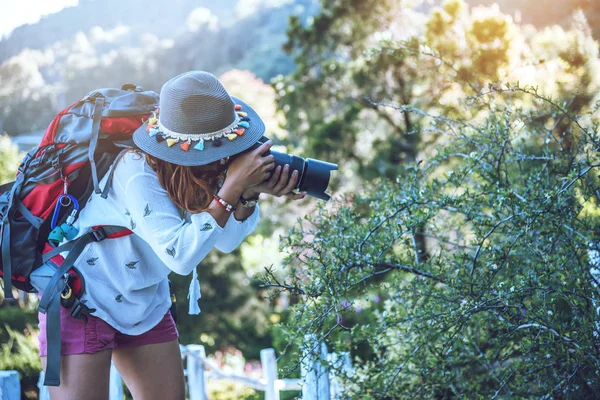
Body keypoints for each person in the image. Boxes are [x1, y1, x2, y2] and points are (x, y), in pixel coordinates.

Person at [37, 71, 306, 399]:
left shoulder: (202, 168)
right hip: (83, 297)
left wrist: (246, 195)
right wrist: (232, 187)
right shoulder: (135, 169)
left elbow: (225, 241)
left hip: (145, 301)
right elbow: (180, 257)